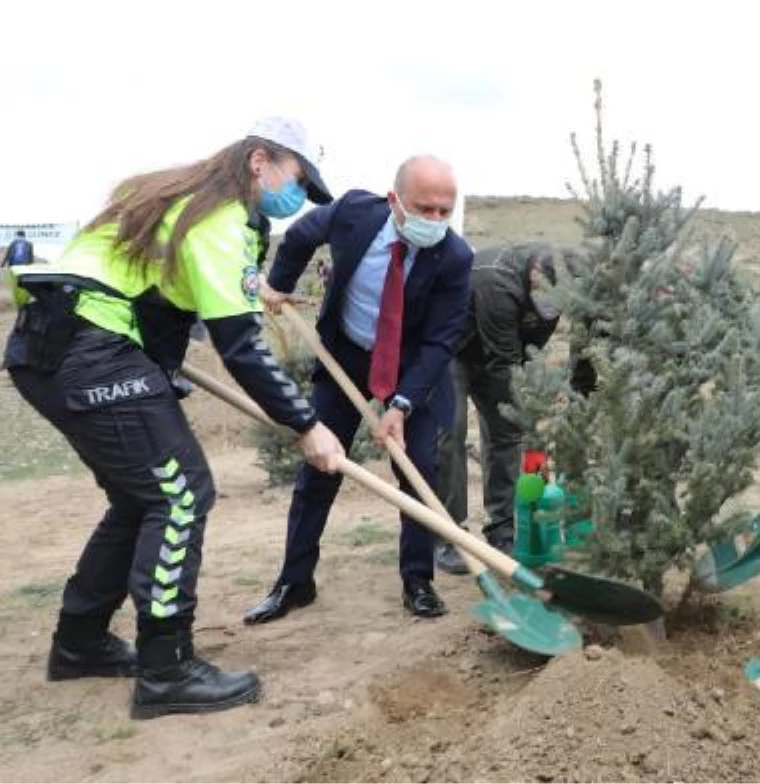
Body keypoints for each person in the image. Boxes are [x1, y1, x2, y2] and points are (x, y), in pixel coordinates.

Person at [2, 116, 344, 719]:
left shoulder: (167, 192)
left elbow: (155, 304)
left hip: (45, 347)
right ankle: (166, 670)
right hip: (92, 347)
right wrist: (306, 425)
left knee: (142, 497)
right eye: (298, 178)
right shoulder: (222, 217)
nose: (297, 200)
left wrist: (160, 371)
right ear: (260, 161)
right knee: (181, 494)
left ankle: (79, 643)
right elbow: (240, 345)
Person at [244, 155, 472, 624]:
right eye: (423, 208)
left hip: (411, 367)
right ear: (395, 201)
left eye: (443, 212)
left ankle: (418, 580)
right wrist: (279, 285)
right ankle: (294, 580)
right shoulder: (354, 213)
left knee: (418, 471)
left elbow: (440, 341)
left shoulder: (454, 257)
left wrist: (402, 405)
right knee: (319, 469)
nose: (434, 221)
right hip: (346, 353)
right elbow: (303, 236)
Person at [433, 243, 568, 574]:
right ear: (534, 276)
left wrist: (528, 401)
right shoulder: (495, 280)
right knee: (450, 432)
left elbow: (528, 352)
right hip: (451, 349)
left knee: (506, 435)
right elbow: (504, 360)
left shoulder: (559, 287)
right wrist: (524, 406)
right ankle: (450, 538)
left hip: (497, 355)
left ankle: (502, 532)